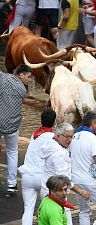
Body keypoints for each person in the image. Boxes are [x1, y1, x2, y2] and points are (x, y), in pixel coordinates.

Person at [40, 123, 90, 224]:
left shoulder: (52, 143)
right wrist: (80, 191)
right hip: (55, 194)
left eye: (72, 136)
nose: (70, 140)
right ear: (58, 136)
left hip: (48, 192)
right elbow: (64, 180)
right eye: (67, 137)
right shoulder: (58, 155)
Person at [18, 109, 56, 225]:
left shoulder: (34, 135)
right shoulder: (53, 137)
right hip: (43, 178)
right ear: (54, 122)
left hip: (27, 176)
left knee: (28, 209)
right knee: (47, 211)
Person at [0, 65, 32, 193]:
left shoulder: (3, 78)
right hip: (12, 126)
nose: (29, 80)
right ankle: (12, 184)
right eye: (28, 77)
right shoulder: (23, 90)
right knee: (12, 153)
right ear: (21, 75)